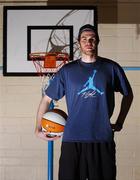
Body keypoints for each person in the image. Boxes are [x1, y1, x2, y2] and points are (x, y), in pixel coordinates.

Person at [35, 24, 133, 180]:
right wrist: (38, 128)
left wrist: (120, 122)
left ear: (98, 41)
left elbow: (128, 95)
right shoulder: (67, 71)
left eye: (92, 39)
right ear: (78, 42)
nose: (89, 42)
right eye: (84, 39)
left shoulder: (111, 67)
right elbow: (46, 99)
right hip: (72, 139)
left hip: (102, 138)